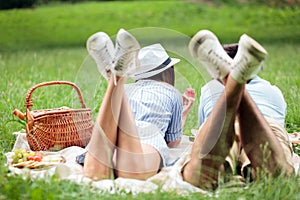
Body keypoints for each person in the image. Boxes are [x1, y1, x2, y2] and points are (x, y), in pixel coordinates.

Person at [181, 29, 296, 189]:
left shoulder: (209, 89)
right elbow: (280, 120)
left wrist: (226, 81)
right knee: (277, 180)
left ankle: (230, 78)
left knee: (199, 178)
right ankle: (237, 78)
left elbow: (203, 122)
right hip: (265, 125)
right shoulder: (273, 90)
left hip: (220, 122)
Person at [82, 28, 194, 181]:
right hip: (148, 135)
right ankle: (117, 76)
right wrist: (183, 114)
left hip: (111, 132)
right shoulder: (171, 92)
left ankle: (114, 78)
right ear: (166, 72)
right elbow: (172, 142)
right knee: (132, 174)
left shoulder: (127, 89)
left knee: (94, 173)